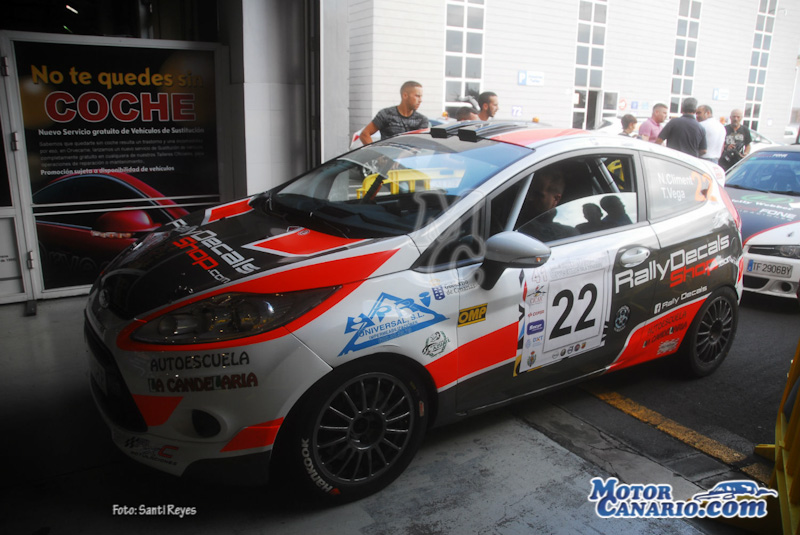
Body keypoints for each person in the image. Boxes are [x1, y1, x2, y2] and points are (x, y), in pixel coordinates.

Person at [516, 167, 578, 241]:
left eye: (538, 195)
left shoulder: (566, 234)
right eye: (528, 192)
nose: (530, 198)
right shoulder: (514, 214)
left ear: (556, 199)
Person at [359, 81, 429, 145]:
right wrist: (375, 152)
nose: (420, 100)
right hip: (387, 153)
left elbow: (419, 144)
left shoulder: (422, 120)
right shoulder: (386, 114)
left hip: (410, 154)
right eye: (417, 96)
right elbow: (364, 134)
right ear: (405, 95)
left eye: (421, 96)